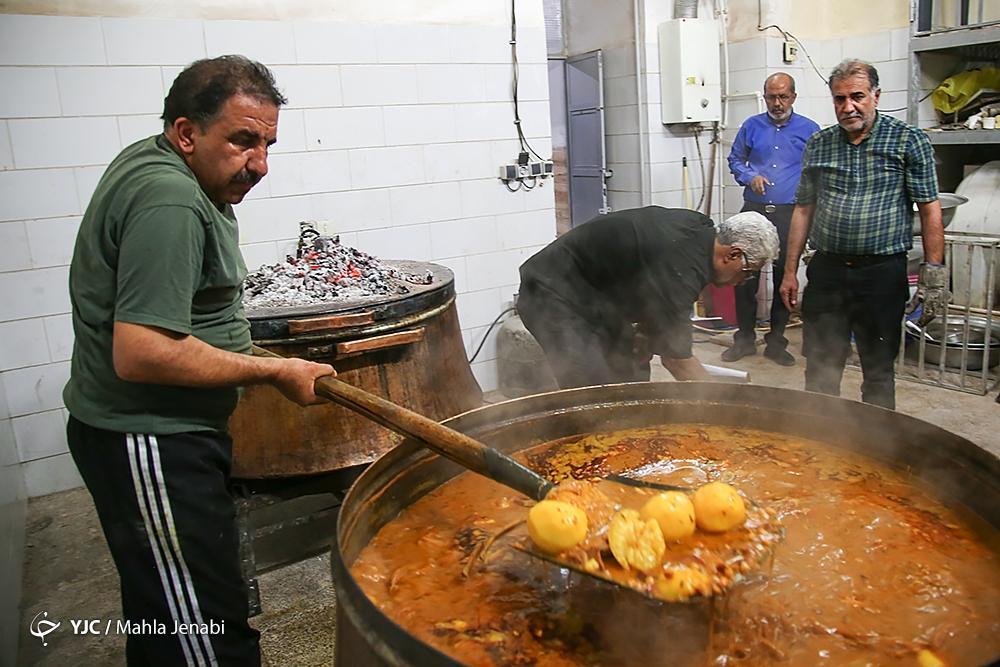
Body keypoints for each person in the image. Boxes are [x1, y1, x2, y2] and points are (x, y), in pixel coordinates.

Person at [63, 56, 335, 666]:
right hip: (150, 437)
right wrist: (275, 370)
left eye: (267, 145)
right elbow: (142, 352)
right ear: (186, 133)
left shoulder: (160, 163)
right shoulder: (171, 200)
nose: (259, 164)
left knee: (169, 608)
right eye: (242, 141)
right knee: (204, 630)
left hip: (156, 432)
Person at [779, 59, 945, 410]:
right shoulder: (819, 144)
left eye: (857, 96)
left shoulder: (908, 140)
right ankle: (821, 436)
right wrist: (790, 271)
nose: (848, 107)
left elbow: (930, 208)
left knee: (878, 369)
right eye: (839, 99)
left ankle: (876, 439)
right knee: (820, 368)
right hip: (828, 272)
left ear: (876, 96)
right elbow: (803, 209)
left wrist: (933, 276)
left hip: (881, 274)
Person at [517, 207, 779, 388]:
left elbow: (647, 276)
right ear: (733, 254)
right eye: (748, 272)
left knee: (633, 370)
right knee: (591, 387)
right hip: (551, 294)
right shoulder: (682, 270)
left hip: (596, 296)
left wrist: (647, 332)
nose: (743, 281)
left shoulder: (700, 229)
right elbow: (678, 362)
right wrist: (721, 409)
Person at [724, 72, 819, 366]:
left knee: (784, 278)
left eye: (783, 97)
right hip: (754, 211)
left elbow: (817, 170)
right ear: (765, 97)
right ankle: (744, 340)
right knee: (744, 277)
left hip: (791, 214)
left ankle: (776, 343)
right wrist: (749, 176)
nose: (777, 103)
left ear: (793, 96)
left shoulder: (810, 130)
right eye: (772, 97)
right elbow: (735, 160)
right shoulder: (751, 126)